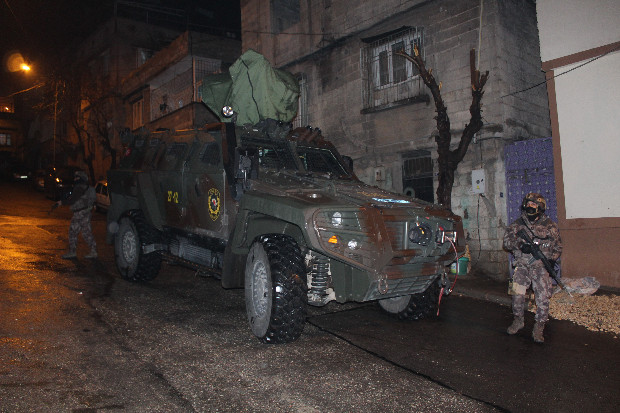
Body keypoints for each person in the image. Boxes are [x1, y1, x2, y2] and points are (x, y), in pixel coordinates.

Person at [503, 193, 562, 343]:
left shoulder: (550, 226)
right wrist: (520, 245)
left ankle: (539, 326)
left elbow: (558, 247)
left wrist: (551, 259)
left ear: (541, 206)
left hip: (540, 267)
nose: (530, 206)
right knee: (517, 294)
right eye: (528, 204)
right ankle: (518, 320)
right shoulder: (517, 224)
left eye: (534, 204)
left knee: (542, 298)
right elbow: (507, 242)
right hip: (522, 266)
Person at [55, 170, 98, 259]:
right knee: (82, 233)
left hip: (80, 213)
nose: (75, 179)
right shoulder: (87, 187)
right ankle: (91, 251)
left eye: (76, 177)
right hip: (85, 212)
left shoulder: (79, 188)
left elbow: (72, 200)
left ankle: (74, 252)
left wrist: (61, 202)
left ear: (80, 178)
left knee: (76, 232)